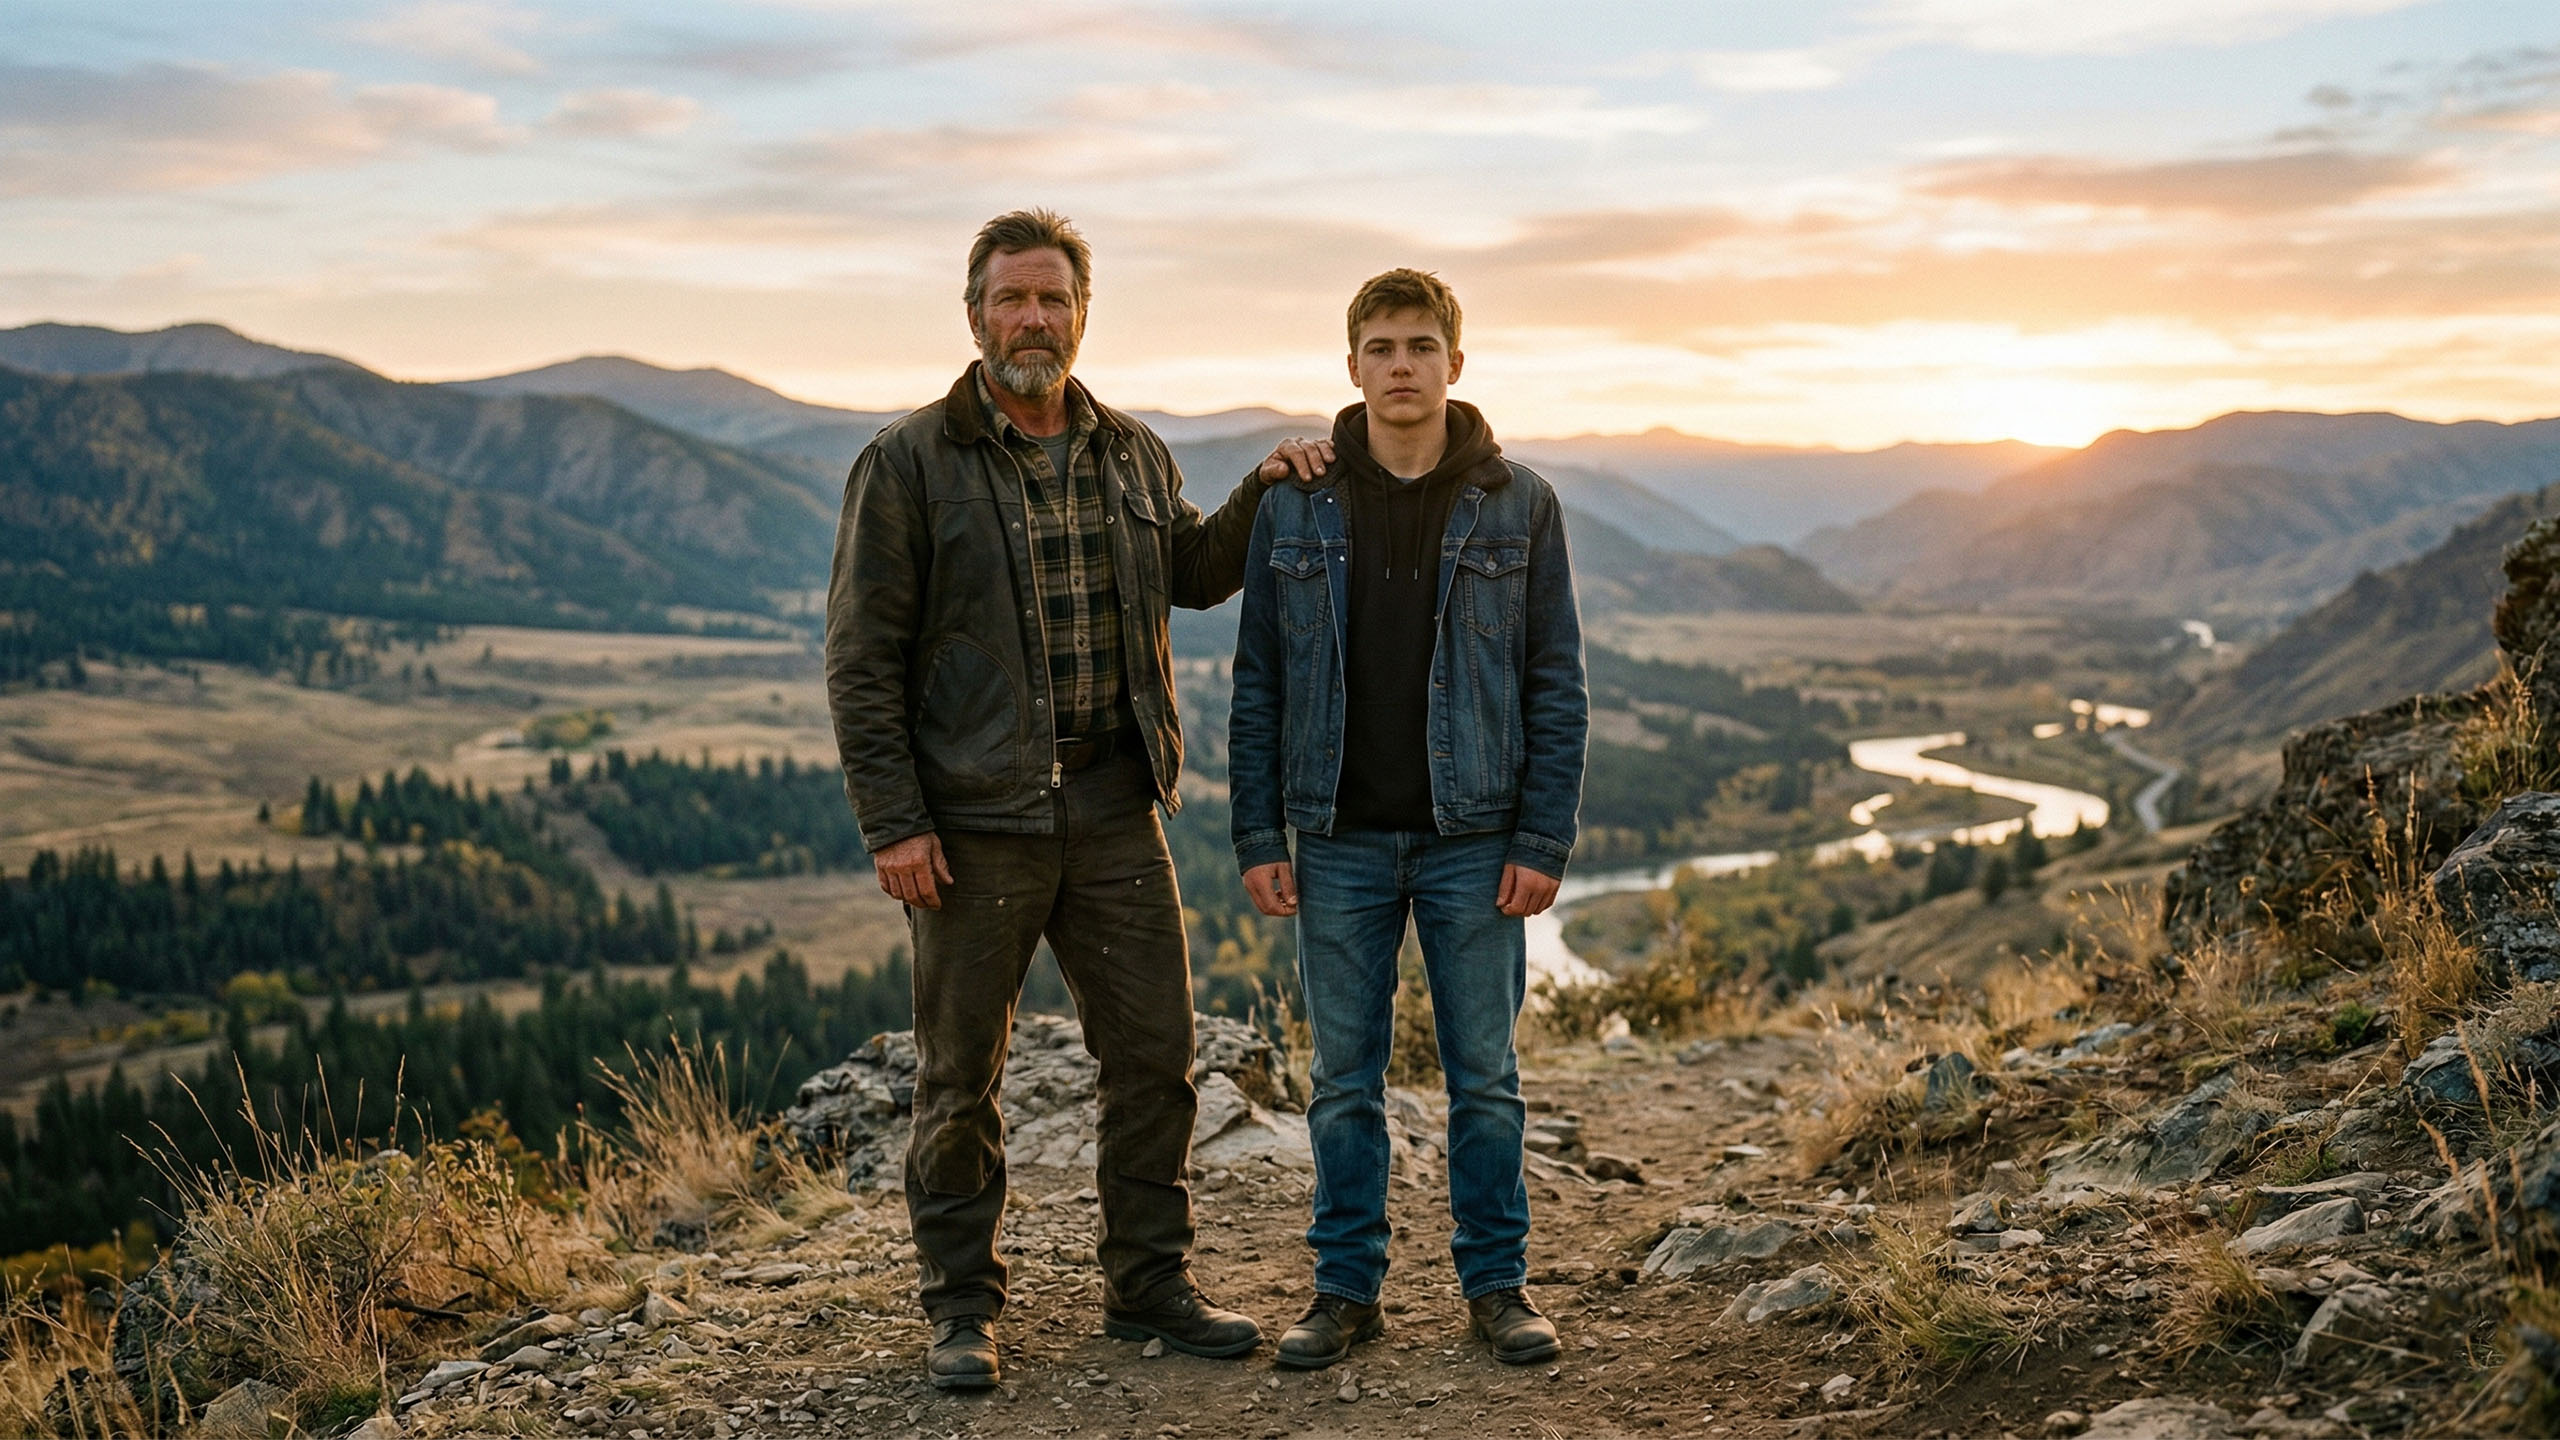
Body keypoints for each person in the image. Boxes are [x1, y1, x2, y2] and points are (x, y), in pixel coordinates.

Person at [824, 208, 1327, 1391]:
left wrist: (1261, 488)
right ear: (974, 315)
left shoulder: (1131, 453)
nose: (1033, 319)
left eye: (1053, 299)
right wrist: (893, 821)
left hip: (1115, 809)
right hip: (971, 826)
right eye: (1012, 299)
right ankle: (961, 1309)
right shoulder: (905, 464)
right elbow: (862, 656)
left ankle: (1147, 1286)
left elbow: (1194, 575)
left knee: (1156, 1059)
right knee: (960, 1079)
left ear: (1082, 314)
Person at [1228, 268, 1589, 1370]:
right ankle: (1345, 1291)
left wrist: (1541, 838)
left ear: (1454, 365)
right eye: (1379, 346)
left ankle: (1497, 1286)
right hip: (1333, 836)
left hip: (1475, 839)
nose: (1399, 365)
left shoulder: (1519, 504)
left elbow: (1554, 682)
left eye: (1419, 346)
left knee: (1485, 1077)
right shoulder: (1295, 504)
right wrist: (1257, 835)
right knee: (1343, 1082)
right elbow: (1258, 683)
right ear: (1351, 367)